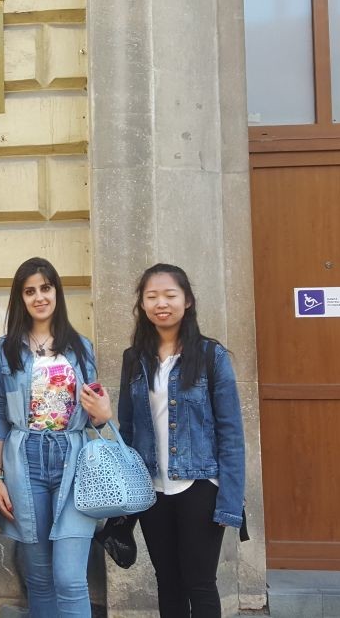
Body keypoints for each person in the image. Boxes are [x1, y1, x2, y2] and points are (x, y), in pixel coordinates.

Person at [117, 264, 246, 618]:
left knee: (200, 582)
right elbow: (127, 431)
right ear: (142, 304)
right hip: (152, 489)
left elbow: (231, 433)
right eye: (152, 296)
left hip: (200, 485)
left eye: (170, 295)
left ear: (187, 300)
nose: (161, 303)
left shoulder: (210, 356)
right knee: (168, 582)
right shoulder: (134, 359)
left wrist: (230, 501)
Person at [0, 257, 112, 618]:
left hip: (73, 458)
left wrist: (104, 415)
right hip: (23, 460)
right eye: (30, 291)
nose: (39, 297)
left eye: (45, 288)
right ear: (21, 299)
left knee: (70, 579)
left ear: (57, 291)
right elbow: (0, 412)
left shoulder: (81, 347)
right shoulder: (7, 349)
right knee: (40, 579)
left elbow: (95, 415)